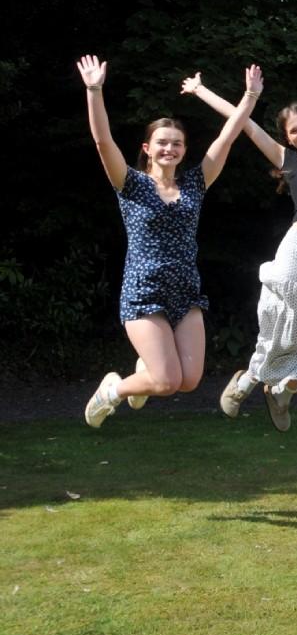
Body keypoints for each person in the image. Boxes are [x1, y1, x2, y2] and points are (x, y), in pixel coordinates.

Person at [182, 66, 297, 431]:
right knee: (288, 321)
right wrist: (202, 90)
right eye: (293, 130)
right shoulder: (288, 160)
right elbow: (244, 124)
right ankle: (248, 381)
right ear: (288, 138)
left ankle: (281, 390)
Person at [78, 55, 260, 427]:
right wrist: (94, 90)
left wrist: (250, 98)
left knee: (188, 381)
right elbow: (101, 140)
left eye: (177, 144)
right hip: (143, 291)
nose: (170, 149)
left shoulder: (195, 182)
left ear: (183, 150)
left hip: (185, 290)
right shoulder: (130, 184)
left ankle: (141, 374)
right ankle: (110, 392)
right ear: (147, 148)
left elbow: (227, 137)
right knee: (165, 381)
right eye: (162, 142)